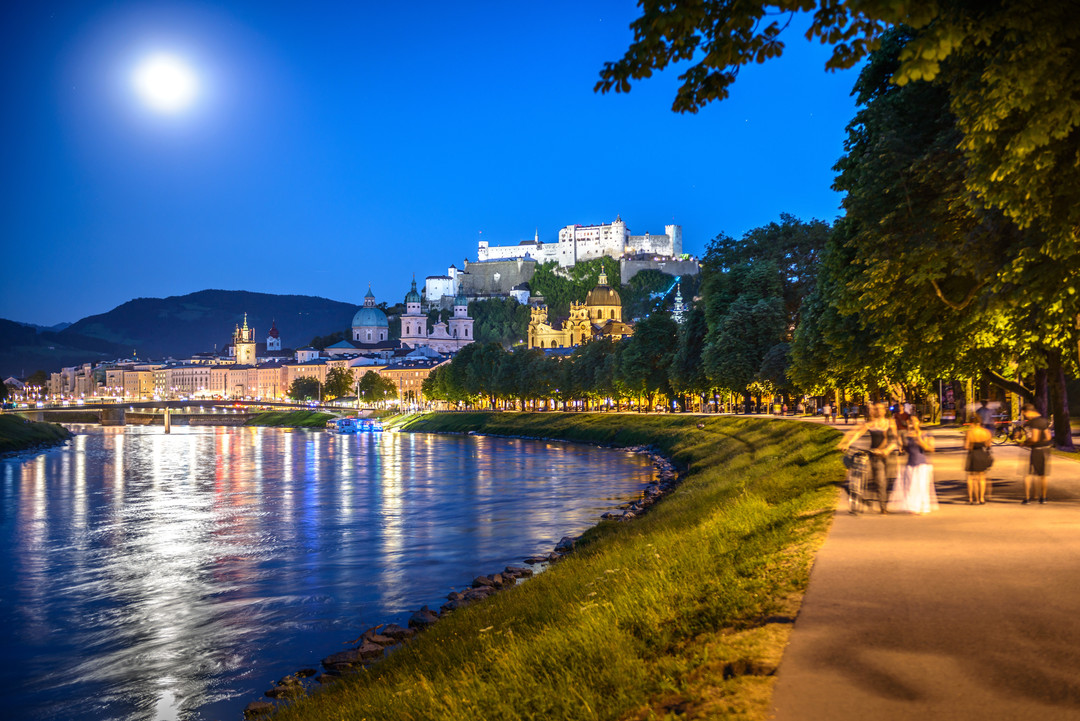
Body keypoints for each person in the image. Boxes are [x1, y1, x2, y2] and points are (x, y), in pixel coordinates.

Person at [839, 403, 898, 514]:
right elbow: (858, 434)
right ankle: (883, 507)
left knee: (889, 481)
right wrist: (847, 443)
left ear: (885, 411)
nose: (879, 411)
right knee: (879, 480)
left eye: (881, 409)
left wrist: (887, 450)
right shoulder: (871, 424)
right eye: (876, 409)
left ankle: (883, 501)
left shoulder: (890, 423)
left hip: (888, 455)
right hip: (875, 455)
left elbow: (894, 439)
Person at [890, 416, 939, 514]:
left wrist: (919, 440)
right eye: (910, 421)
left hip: (922, 464)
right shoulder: (908, 436)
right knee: (910, 486)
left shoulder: (925, 434)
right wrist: (901, 443)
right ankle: (912, 506)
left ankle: (921, 506)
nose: (912, 423)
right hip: (910, 463)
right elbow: (907, 450)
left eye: (914, 421)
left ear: (919, 422)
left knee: (921, 486)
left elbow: (931, 449)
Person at [1021, 403, 1052, 504]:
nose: (1025, 416)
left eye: (1024, 414)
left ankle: (1027, 498)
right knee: (1042, 475)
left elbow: (1034, 438)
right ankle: (1043, 498)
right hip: (1045, 450)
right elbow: (1048, 437)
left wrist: (1025, 443)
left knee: (1028, 474)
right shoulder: (1044, 420)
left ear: (1028, 412)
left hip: (1036, 450)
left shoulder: (1034, 422)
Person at [964, 413, 994, 504]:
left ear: (971, 422)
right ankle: (981, 498)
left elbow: (966, 446)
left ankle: (971, 499)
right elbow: (989, 445)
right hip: (982, 453)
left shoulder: (969, 432)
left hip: (973, 454)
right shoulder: (986, 432)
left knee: (971, 477)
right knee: (982, 477)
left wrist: (972, 445)